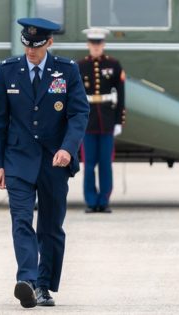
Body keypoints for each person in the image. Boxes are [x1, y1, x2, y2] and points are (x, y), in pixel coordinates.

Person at [0, 18, 89, 308]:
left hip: (54, 161)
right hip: (18, 159)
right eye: (27, 44)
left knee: (51, 226)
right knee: (21, 220)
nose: (31, 51)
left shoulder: (66, 71)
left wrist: (68, 149)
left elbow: (79, 114)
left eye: (37, 45)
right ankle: (28, 280)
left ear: (49, 43)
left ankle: (45, 285)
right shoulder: (8, 70)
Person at [78, 28, 125, 214]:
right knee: (88, 165)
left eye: (99, 44)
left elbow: (120, 95)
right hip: (87, 122)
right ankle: (91, 201)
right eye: (93, 44)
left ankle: (104, 201)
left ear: (103, 45)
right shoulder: (80, 66)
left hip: (107, 121)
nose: (96, 47)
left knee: (106, 163)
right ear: (88, 45)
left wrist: (119, 121)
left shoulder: (114, 65)